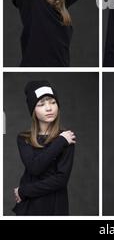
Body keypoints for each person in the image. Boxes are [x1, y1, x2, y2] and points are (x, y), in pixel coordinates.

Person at [13, 80, 76, 216]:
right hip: (29, 207)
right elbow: (35, 167)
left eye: (53, 102)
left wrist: (24, 191)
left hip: (54, 206)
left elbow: (60, 180)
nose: (49, 108)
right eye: (41, 104)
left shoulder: (67, 137)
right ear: (33, 110)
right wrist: (60, 142)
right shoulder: (24, 138)